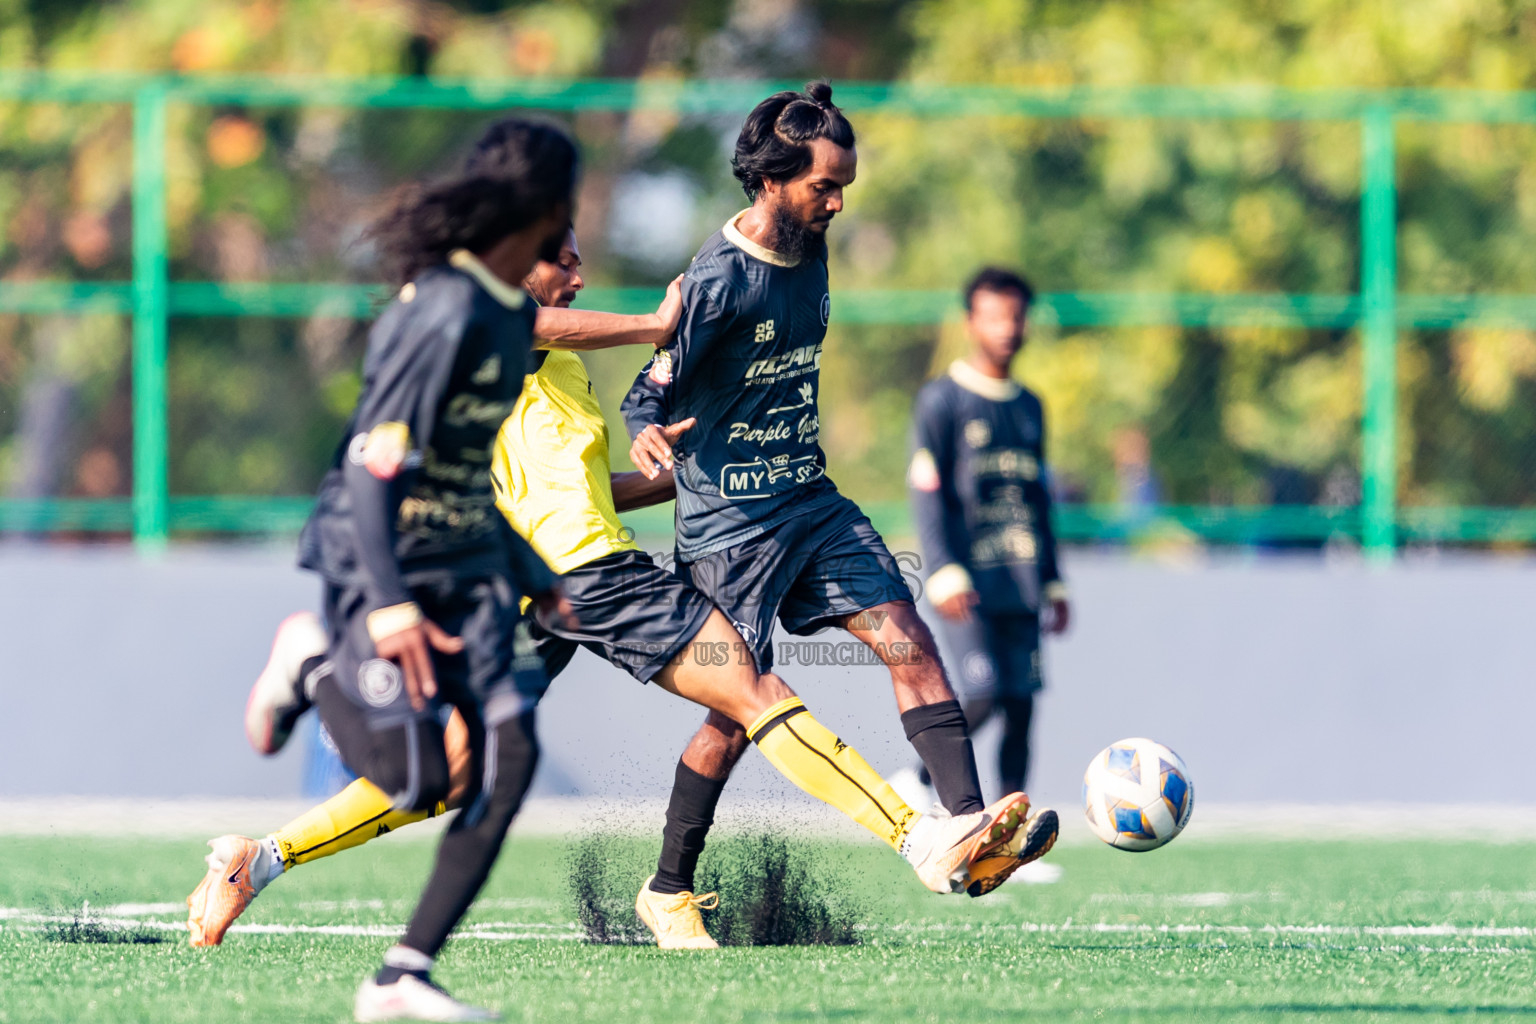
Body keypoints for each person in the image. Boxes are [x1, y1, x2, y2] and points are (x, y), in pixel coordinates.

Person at [191, 234, 1026, 984]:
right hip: (594, 580)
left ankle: (257, 861)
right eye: (564, 258)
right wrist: (653, 322)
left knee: (451, 774)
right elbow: (531, 328)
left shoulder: (551, 367)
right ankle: (920, 839)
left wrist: (676, 474)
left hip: (541, 594)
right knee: (754, 693)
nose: (579, 274)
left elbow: (579, 486)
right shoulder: (496, 334)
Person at [620, 82, 1058, 903]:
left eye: (845, 188)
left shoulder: (813, 250)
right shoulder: (716, 282)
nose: (837, 203)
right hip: (729, 529)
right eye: (824, 187)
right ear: (772, 181)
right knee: (734, 716)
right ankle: (668, 883)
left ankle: (967, 827)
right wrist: (647, 427)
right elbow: (652, 387)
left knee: (907, 635)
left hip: (811, 503)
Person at [198, 116, 580, 1023]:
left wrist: (536, 571)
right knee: (415, 782)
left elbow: (461, 472)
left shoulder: (508, 317)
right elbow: (374, 471)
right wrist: (393, 605)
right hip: (379, 559)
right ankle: (310, 658)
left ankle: (402, 976)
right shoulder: (441, 308)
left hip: (469, 559)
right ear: (540, 203)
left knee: (507, 758)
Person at [892, 268, 1069, 885]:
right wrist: (942, 570)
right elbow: (927, 493)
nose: (1007, 329)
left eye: (1017, 316)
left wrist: (1054, 580)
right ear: (971, 323)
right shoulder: (943, 400)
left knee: (1022, 706)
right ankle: (919, 779)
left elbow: (1039, 499)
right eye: (995, 316)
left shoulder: (1029, 406)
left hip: (1021, 581)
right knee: (985, 693)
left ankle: (1014, 841)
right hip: (967, 584)